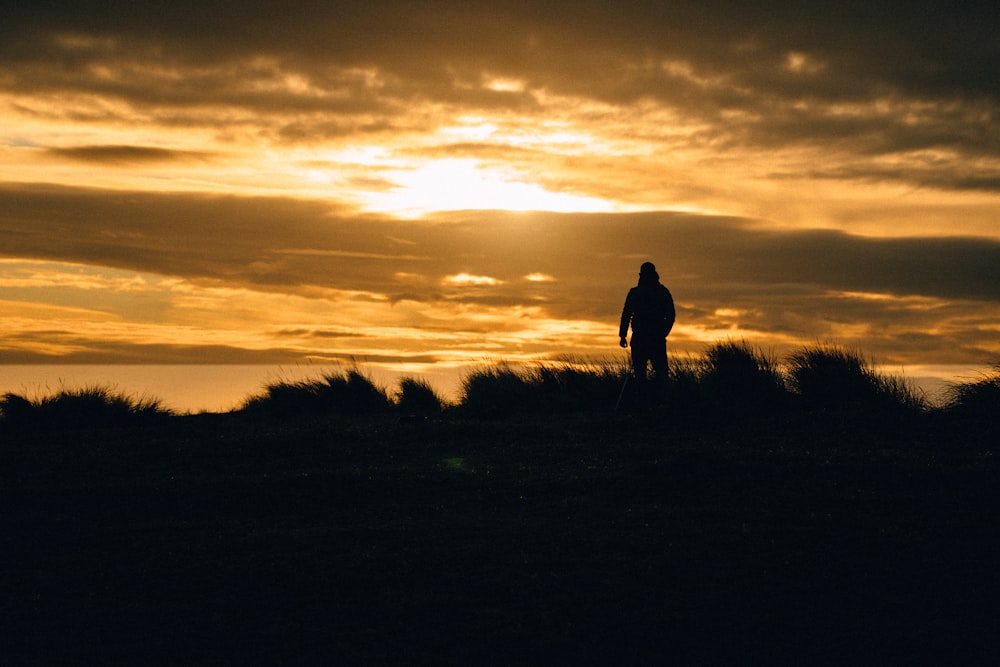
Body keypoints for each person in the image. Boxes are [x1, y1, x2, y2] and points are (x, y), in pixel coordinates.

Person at [619, 262, 676, 383]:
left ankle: (650, 400)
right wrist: (664, 332)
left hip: (648, 338)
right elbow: (671, 314)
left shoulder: (637, 293)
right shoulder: (662, 292)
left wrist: (623, 335)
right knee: (659, 375)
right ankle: (656, 400)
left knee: (646, 375)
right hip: (650, 338)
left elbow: (626, 314)